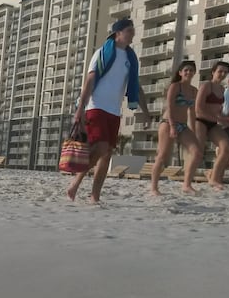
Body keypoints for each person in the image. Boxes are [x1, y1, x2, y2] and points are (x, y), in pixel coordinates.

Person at [66, 18, 150, 203]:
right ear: (117, 33)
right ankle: (76, 182)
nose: (133, 33)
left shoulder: (130, 58)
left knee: (107, 153)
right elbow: (89, 81)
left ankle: (94, 195)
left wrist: (145, 111)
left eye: (133, 30)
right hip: (96, 106)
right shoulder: (102, 53)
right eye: (129, 30)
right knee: (101, 147)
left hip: (114, 110)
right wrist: (80, 109)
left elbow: (136, 87)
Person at [150, 61, 203, 195]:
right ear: (180, 73)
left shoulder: (193, 91)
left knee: (197, 152)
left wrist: (193, 131)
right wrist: (173, 126)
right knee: (163, 156)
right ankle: (154, 188)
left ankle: (186, 185)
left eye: (191, 70)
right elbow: (170, 107)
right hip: (168, 123)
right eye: (186, 70)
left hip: (183, 125)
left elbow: (192, 112)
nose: (188, 72)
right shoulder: (175, 87)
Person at [194, 61, 229, 190]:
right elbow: (198, 110)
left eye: (225, 72)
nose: (222, 74)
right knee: (197, 152)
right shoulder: (206, 85)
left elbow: (218, 112)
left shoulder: (223, 89)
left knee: (226, 148)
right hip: (200, 121)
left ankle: (214, 178)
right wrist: (218, 119)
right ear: (213, 72)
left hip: (213, 123)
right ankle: (187, 181)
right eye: (220, 71)